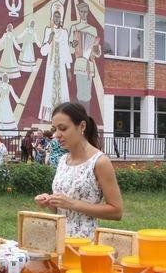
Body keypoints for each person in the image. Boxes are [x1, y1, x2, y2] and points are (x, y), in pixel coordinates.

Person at [35, 102, 122, 238]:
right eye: (55, 129)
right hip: (59, 242)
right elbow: (61, 209)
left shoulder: (99, 162)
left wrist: (72, 204)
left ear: (82, 126)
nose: (56, 135)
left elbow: (116, 211)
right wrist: (50, 201)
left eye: (63, 128)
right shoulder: (63, 160)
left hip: (85, 246)